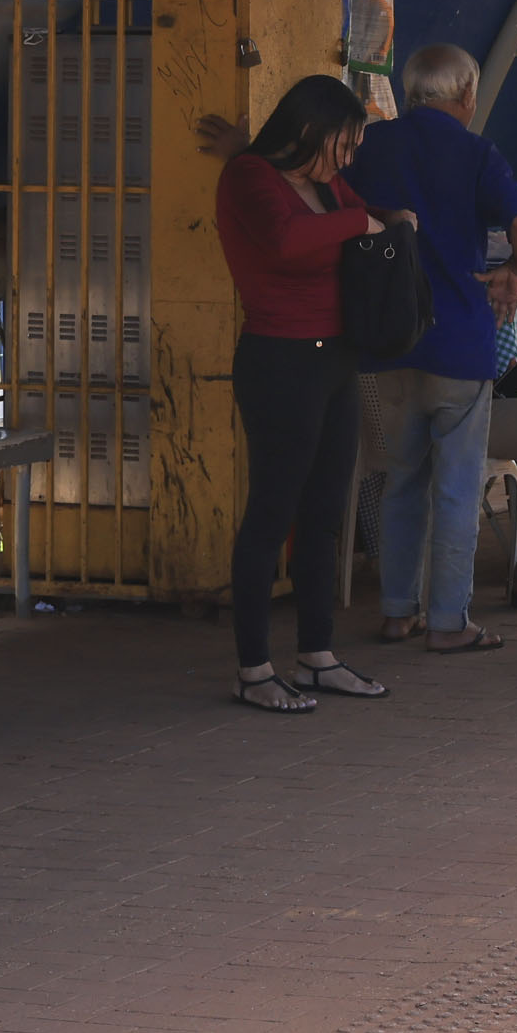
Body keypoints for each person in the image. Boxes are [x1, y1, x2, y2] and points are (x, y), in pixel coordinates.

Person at [350, 45, 517, 645]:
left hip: (387, 340)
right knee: (458, 484)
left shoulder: (374, 145)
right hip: (456, 339)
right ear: (468, 95)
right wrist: (515, 269)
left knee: (403, 478)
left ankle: (397, 610)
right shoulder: (474, 152)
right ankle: (449, 620)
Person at [213, 73, 410, 713]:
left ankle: (318, 655)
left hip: (335, 358)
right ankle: (252, 668)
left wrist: (385, 219)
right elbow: (287, 240)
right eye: (344, 144)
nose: (349, 158)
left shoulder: (324, 182)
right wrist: (362, 221)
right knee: (273, 514)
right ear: (310, 131)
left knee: (326, 514)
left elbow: (361, 217)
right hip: (280, 360)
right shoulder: (250, 177)